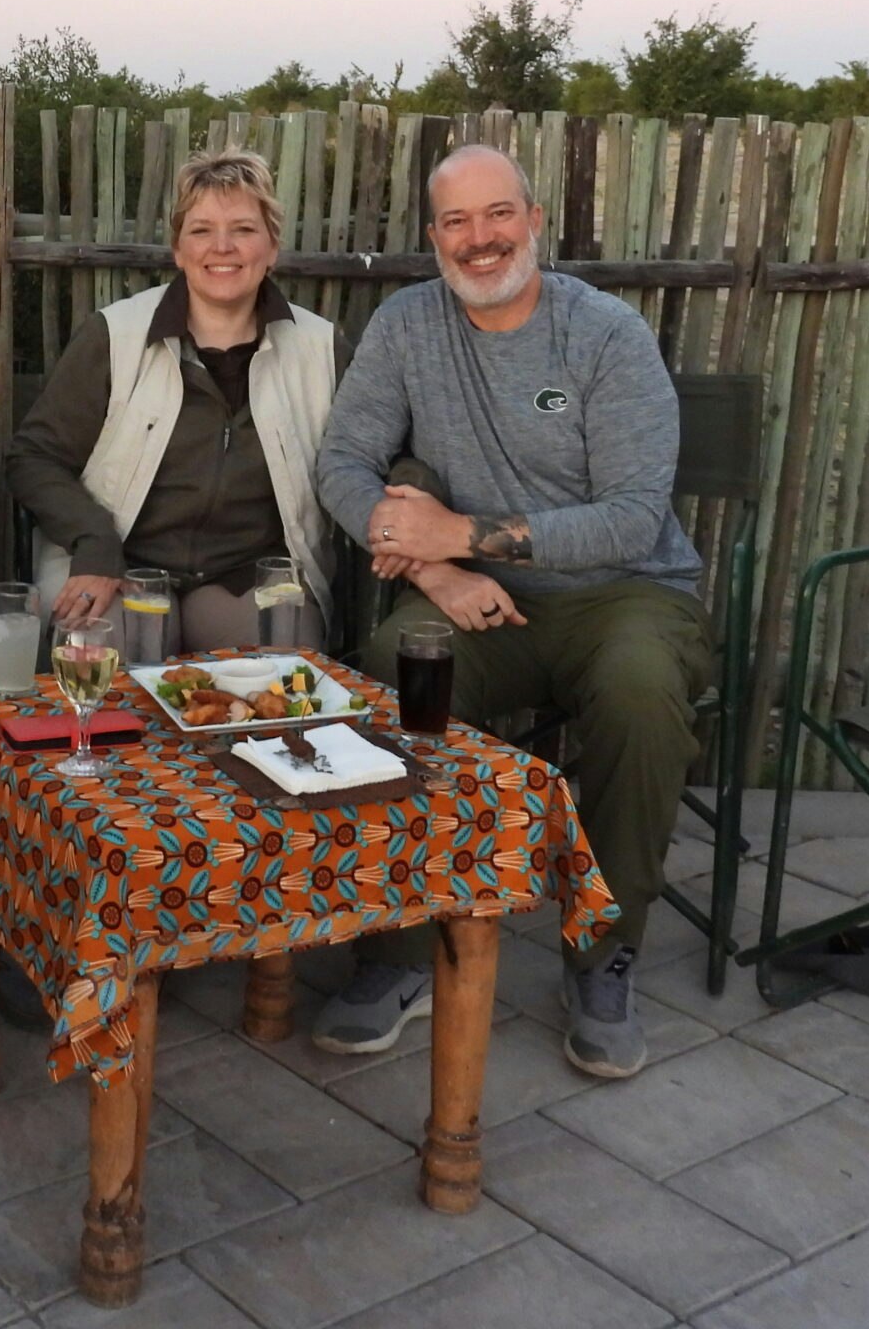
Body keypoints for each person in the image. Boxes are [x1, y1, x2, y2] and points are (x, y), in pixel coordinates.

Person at [310, 143, 708, 1079]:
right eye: (455, 221)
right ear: (434, 237)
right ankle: (397, 951)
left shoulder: (607, 335)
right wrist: (438, 573)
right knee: (394, 667)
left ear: (534, 222)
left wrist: (464, 536)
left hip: (627, 596)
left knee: (643, 692)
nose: (479, 240)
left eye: (497, 215)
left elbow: (628, 518)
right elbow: (343, 466)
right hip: (476, 600)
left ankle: (603, 952)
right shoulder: (408, 327)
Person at [7, 147, 346, 650]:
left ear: (272, 247)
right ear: (179, 249)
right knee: (100, 664)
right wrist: (94, 543)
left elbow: (368, 454)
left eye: (244, 229)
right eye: (202, 230)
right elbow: (33, 458)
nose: (223, 247)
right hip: (122, 566)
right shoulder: (114, 336)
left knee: (280, 676)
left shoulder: (322, 348)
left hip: (248, 576)